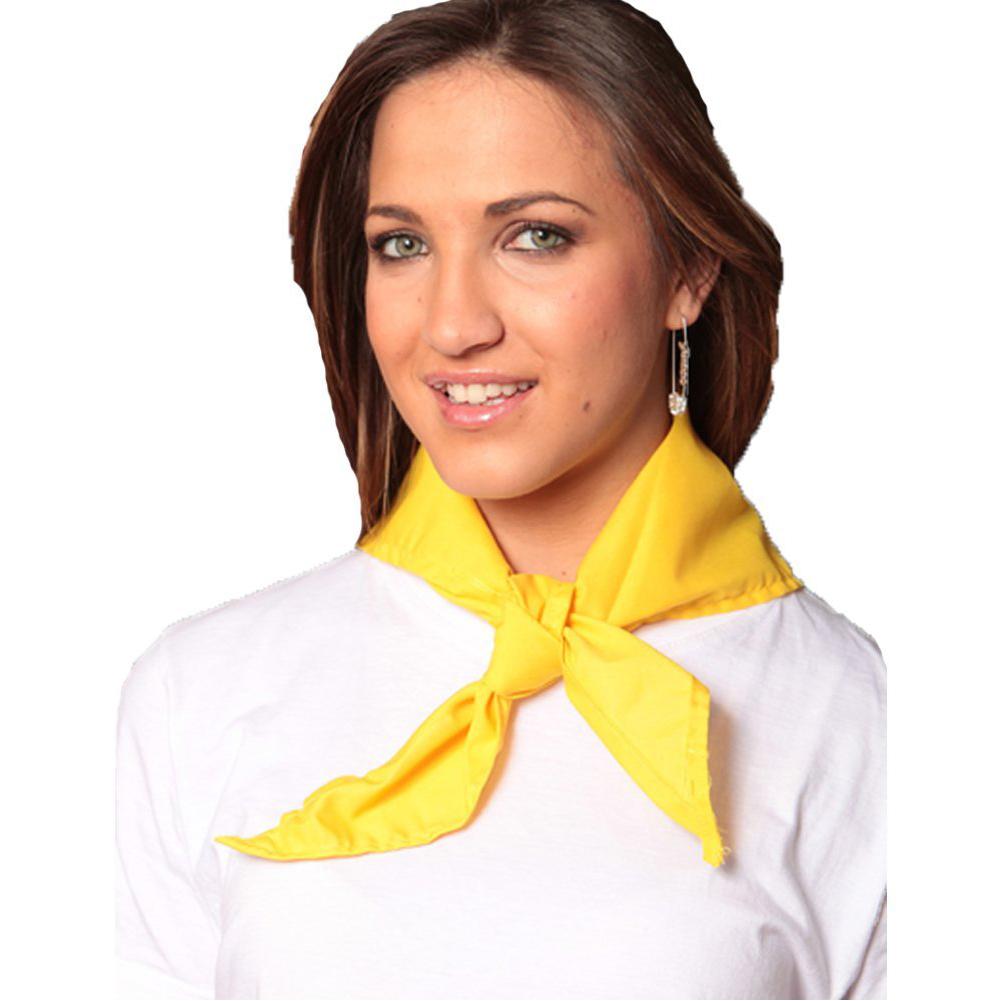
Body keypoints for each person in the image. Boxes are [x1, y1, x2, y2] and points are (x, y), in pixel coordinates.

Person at [115, 1, 887, 998]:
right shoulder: (194, 693)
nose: (451, 325)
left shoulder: (865, 722)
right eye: (401, 244)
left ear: (687, 270)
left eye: (535, 236)